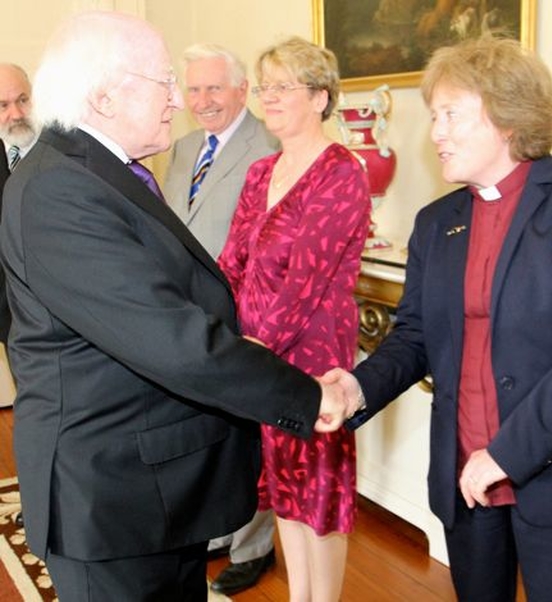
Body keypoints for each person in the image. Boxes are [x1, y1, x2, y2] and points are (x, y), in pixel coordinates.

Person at [0, 12, 349, 602]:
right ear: (106, 96)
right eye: (164, 81)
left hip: (153, 487)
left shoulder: (101, 171)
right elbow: (169, 337)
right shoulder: (58, 189)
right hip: (112, 501)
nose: (176, 100)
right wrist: (307, 394)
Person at [324, 36, 552, 602]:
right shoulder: (436, 222)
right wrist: (356, 387)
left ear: (508, 119)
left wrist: (503, 455)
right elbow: (415, 336)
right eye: (433, 116)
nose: (435, 133)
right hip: (466, 483)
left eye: (451, 115)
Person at [218, 36, 370, 602]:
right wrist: (216, 330)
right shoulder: (261, 172)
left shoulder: (342, 172)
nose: (269, 97)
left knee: (319, 492)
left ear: (321, 98)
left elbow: (305, 281)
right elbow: (232, 262)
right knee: (283, 484)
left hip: (311, 357)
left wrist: (245, 354)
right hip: (257, 354)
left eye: (284, 86)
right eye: (266, 86)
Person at [163, 43, 279, 595]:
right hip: (191, 313)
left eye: (214, 88)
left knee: (252, 431)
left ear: (242, 90)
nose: (202, 101)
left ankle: (254, 547)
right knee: (208, 427)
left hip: (248, 312)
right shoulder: (183, 147)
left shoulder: (270, 146)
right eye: (194, 89)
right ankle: (215, 526)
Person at [0, 63, 36, 360]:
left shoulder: (61, 150)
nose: (16, 114)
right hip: (9, 315)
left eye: (23, 100)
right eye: (3, 105)